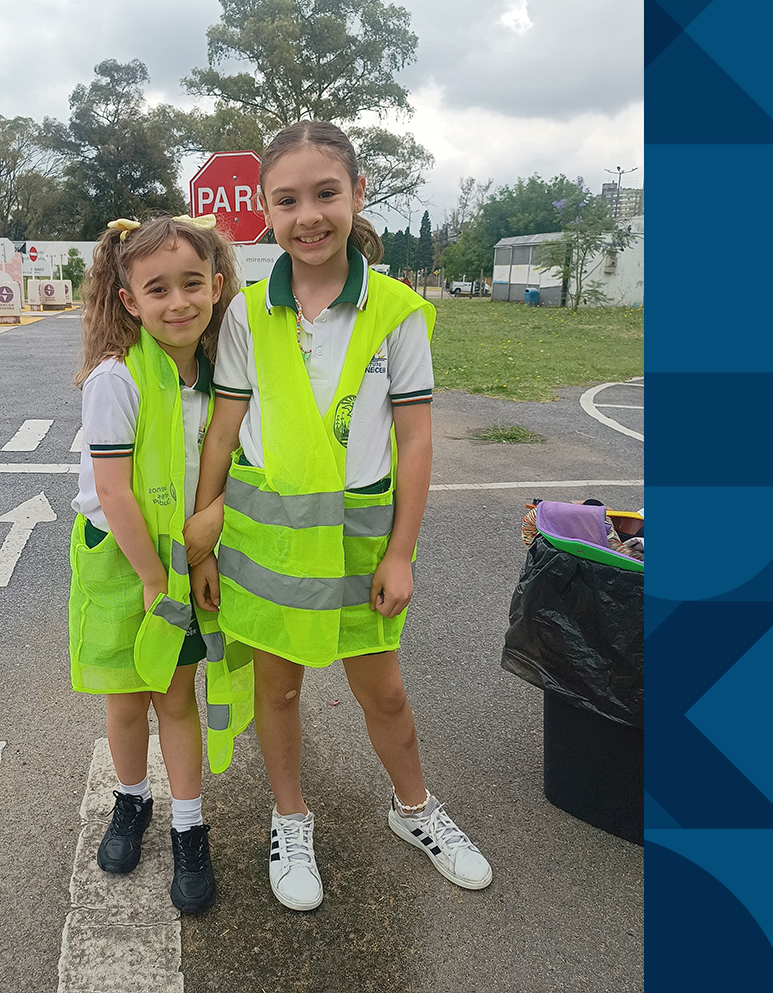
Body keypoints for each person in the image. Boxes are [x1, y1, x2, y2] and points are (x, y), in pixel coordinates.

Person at [188, 121, 492, 911]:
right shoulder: (245, 315)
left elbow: (415, 439)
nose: (308, 216)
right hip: (267, 548)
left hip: (362, 548)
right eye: (286, 200)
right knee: (279, 692)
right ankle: (291, 819)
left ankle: (415, 811)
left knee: (383, 694)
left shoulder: (397, 311)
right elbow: (223, 431)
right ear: (265, 211)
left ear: (358, 193)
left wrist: (401, 553)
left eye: (326, 193)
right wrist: (203, 540)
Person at [68, 212, 243, 914]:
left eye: (192, 283)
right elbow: (113, 491)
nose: (178, 302)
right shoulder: (116, 378)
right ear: (129, 301)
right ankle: (133, 800)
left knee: (176, 697)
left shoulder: (221, 378)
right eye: (157, 289)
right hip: (124, 561)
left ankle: (189, 826)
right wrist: (151, 578)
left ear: (217, 286)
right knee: (126, 700)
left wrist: (202, 553)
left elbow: (227, 467)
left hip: (182, 557)